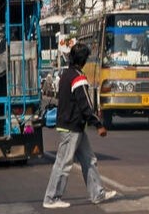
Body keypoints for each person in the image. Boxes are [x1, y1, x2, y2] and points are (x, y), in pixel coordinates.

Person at [43, 43, 117, 209]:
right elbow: (85, 105)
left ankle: (97, 193)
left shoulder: (66, 74)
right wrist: (98, 125)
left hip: (74, 126)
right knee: (63, 164)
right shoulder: (78, 77)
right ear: (83, 60)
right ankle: (51, 198)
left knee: (89, 160)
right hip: (71, 127)